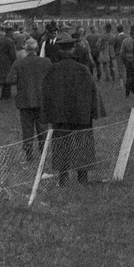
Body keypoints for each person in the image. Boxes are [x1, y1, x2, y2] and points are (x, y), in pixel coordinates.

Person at [41, 33, 105, 185]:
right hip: (81, 116)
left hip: (60, 117)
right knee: (82, 145)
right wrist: (94, 112)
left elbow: (45, 94)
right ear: (73, 50)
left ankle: (63, 180)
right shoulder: (82, 69)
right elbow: (93, 91)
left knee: (61, 146)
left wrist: (47, 115)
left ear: (60, 51)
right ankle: (82, 179)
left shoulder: (52, 70)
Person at [6, 38, 51, 161]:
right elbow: (52, 79)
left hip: (25, 101)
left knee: (27, 130)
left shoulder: (19, 63)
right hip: (41, 100)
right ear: (37, 49)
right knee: (43, 129)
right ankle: (43, 154)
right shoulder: (46, 62)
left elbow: (10, 80)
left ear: (25, 49)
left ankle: (29, 154)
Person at [0, 26, 18, 100]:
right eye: (12, 32)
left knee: (2, 77)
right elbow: (13, 54)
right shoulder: (10, 41)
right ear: (10, 32)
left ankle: (3, 94)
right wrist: (15, 61)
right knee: (7, 77)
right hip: (8, 61)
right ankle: (7, 95)